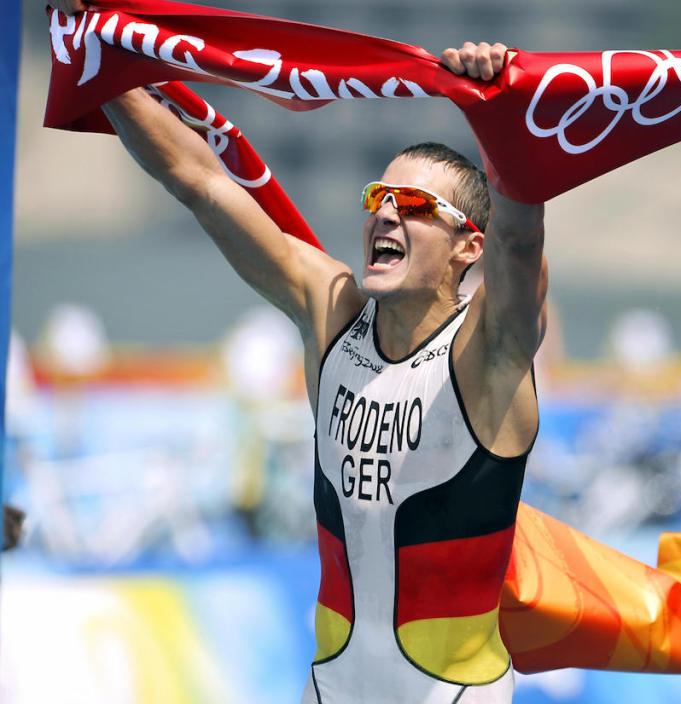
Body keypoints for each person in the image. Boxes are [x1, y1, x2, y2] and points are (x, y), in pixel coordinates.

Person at [49, 2, 546, 702]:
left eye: (413, 204)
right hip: (328, 688)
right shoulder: (331, 314)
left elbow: (521, 242)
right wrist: (99, 60)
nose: (385, 214)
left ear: (469, 246)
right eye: (380, 196)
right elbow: (202, 181)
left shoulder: (487, 355)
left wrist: (502, 117)